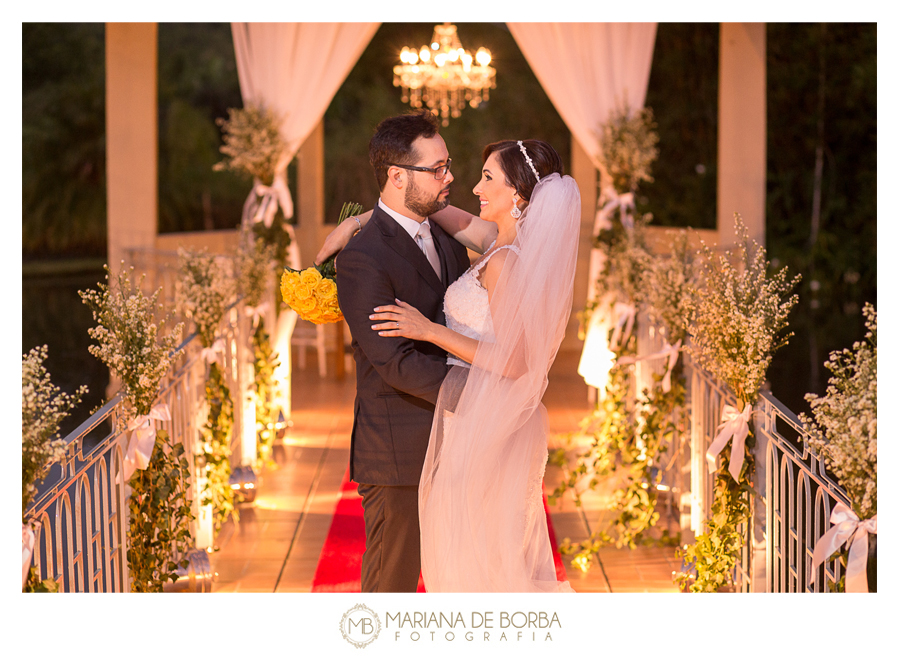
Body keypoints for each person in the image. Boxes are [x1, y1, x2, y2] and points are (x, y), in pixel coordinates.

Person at [322, 135, 580, 592]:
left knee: (474, 565)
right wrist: (358, 222)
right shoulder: (496, 242)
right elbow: (424, 206)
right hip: (470, 424)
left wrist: (428, 329)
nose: (471, 187)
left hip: (478, 422)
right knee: (471, 559)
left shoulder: (502, 261)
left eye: (487, 178)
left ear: (518, 195)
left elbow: (517, 360)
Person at [331, 111, 471, 593]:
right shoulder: (363, 256)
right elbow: (394, 363)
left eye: (447, 165)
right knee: (391, 587)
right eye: (437, 169)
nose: (450, 177)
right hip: (397, 452)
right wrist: (479, 392)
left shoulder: (446, 238)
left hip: (453, 441)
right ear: (396, 176)